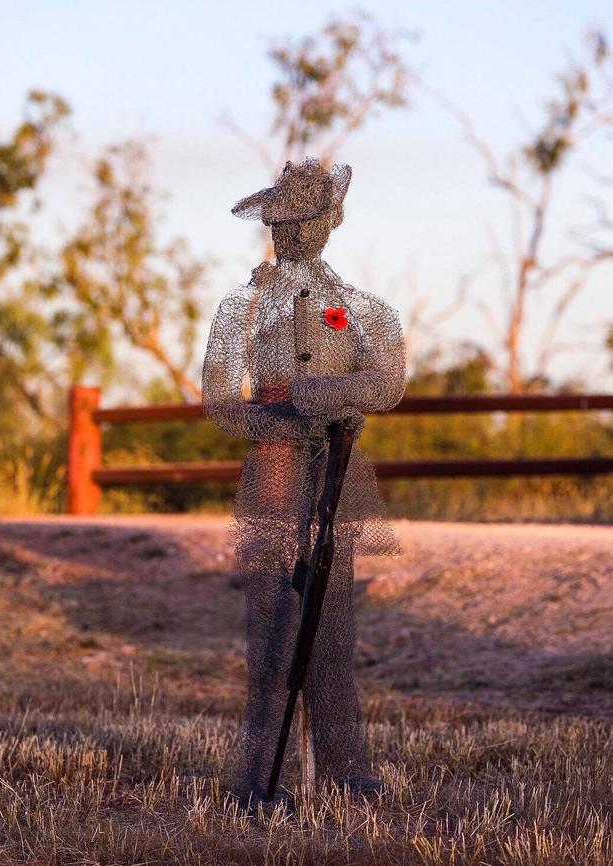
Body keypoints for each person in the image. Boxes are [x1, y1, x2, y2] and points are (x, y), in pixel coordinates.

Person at [202, 158, 406, 804]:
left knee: (332, 622)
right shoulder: (242, 307)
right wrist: (280, 420)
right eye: (279, 222)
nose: (289, 234)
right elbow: (217, 399)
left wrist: (315, 394)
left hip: (338, 473)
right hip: (273, 469)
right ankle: (261, 778)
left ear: (329, 223)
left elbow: (387, 383)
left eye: (303, 221)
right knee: (273, 625)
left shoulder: (363, 310)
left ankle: (346, 769)